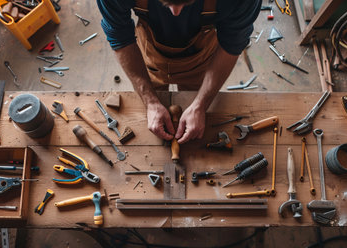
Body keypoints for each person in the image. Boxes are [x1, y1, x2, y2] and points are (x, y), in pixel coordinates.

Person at [97, 0, 261, 144]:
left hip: (201, 60)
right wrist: (150, 102)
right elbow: (120, 35)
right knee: (154, 112)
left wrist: (200, 105)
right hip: (150, 56)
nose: (175, 12)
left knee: (195, 108)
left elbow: (232, 44)